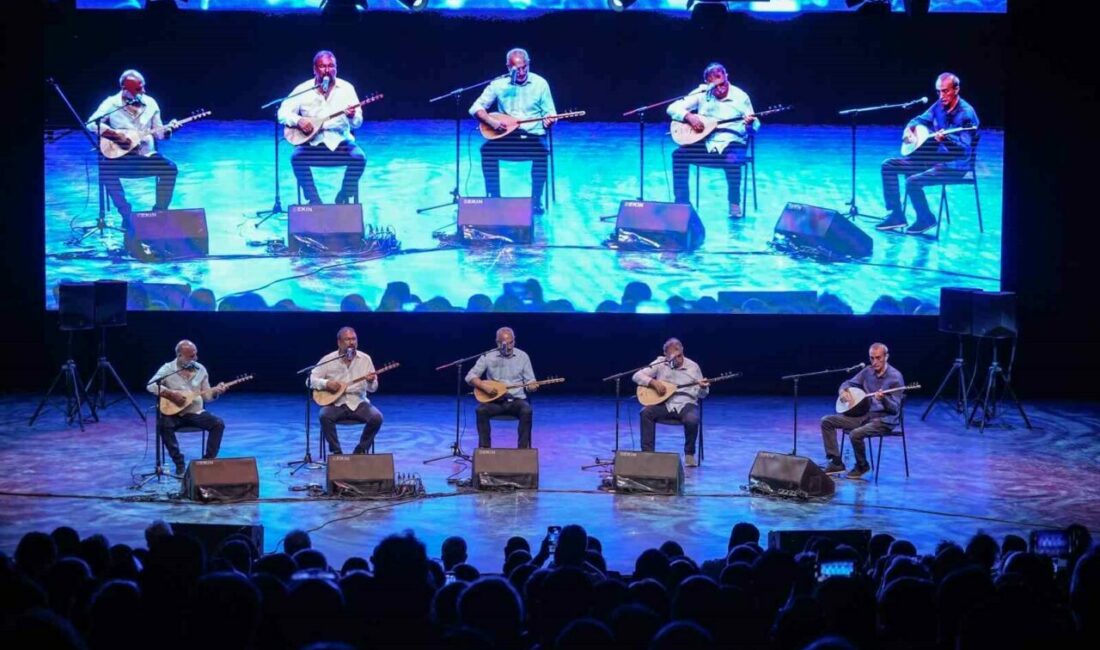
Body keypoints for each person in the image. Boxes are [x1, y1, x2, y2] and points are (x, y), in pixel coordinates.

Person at [877, 72, 980, 234]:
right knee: (888, 165)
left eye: (945, 91)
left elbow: (964, 149)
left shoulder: (966, 114)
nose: (941, 95)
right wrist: (909, 130)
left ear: (956, 89)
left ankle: (926, 218)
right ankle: (896, 214)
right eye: (938, 91)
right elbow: (918, 119)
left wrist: (945, 139)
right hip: (933, 159)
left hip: (954, 166)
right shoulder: (939, 105)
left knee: (912, 181)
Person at [88, 69, 179, 242]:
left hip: (146, 156)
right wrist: (116, 135)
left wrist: (168, 131)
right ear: (124, 88)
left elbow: (160, 134)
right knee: (105, 169)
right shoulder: (111, 103)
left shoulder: (151, 103)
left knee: (170, 168)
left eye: (143, 87)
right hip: (121, 157)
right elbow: (91, 124)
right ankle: (126, 215)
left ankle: (159, 212)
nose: (143, 91)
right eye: (138, 89)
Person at [469, 48, 557, 215]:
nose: (522, 72)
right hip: (508, 135)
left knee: (542, 153)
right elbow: (475, 108)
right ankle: (494, 198)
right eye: (517, 68)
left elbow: (550, 112)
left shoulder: (540, 84)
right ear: (508, 67)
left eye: (525, 67)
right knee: (486, 150)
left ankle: (536, 200)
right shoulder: (498, 84)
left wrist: (549, 120)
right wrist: (491, 121)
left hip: (533, 135)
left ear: (529, 64)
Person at [666, 62, 759, 219]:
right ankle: (682, 204)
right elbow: (672, 107)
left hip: (732, 141)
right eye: (714, 86)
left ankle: (734, 203)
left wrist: (750, 124)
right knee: (679, 155)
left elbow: (755, 125)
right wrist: (689, 116)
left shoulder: (741, 97)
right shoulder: (702, 92)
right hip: (707, 141)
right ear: (708, 83)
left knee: (733, 158)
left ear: (726, 77)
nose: (719, 89)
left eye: (722, 84)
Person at [278, 50, 366, 205]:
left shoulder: (347, 89)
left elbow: (358, 122)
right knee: (296, 158)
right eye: (323, 66)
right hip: (313, 146)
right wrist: (298, 120)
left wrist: (352, 116)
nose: (327, 70)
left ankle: (343, 195)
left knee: (359, 158)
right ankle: (315, 201)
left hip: (340, 144)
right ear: (314, 69)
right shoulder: (303, 89)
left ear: (336, 68)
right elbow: (282, 113)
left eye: (331, 66)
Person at [820, 342, 905, 479]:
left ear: (886, 357)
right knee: (827, 421)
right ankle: (836, 463)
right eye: (872, 358)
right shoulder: (867, 371)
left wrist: (883, 399)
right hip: (865, 416)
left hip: (884, 420)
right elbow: (848, 383)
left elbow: (895, 409)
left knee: (855, 434)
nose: (875, 362)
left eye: (878, 358)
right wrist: (843, 391)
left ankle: (862, 465)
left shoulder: (895, 377)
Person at [147, 340, 226, 475]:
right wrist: (170, 394)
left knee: (218, 424)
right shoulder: (168, 369)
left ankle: (207, 461)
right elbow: (151, 385)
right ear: (179, 356)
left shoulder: (200, 369)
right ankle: (179, 463)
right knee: (163, 426)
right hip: (173, 414)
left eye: (195, 355)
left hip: (195, 412)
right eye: (191, 356)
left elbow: (207, 396)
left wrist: (216, 392)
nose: (195, 358)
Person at [632, 338, 709, 467]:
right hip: (665, 403)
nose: (676, 359)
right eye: (672, 357)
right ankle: (647, 454)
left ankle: (689, 454)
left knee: (692, 419)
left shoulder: (693, 367)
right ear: (666, 355)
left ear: (681, 351)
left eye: (679, 356)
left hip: (686, 403)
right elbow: (637, 376)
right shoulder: (661, 363)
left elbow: (702, 395)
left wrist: (702, 388)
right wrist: (653, 382)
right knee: (645, 413)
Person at [309, 327, 383, 454]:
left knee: (377, 417)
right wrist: (326, 383)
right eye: (347, 339)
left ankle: (360, 450)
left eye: (354, 339)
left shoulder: (365, 359)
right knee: (324, 415)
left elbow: (373, 388)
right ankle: (337, 453)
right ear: (339, 342)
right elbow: (310, 379)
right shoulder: (329, 359)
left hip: (359, 402)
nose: (351, 342)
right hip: (337, 403)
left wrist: (371, 381)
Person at [465, 327, 537, 448]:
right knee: (481, 411)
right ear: (497, 343)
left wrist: (532, 386)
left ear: (514, 341)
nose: (509, 347)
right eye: (504, 344)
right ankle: (485, 449)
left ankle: (523, 450)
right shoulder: (488, 356)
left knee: (527, 411)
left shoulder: (523, 356)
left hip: (516, 400)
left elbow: (530, 380)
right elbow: (470, 376)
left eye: (511, 343)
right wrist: (483, 386)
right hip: (495, 401)